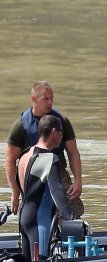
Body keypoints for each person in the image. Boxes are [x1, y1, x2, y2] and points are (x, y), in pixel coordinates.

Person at [5, 81, 83, 217]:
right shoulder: (21, 125)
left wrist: (78, 181)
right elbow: (10, 160)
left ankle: (68, 233)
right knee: (35, 214)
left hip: (58, 174)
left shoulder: (61, 121)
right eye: (45, 99)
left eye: (52, 98)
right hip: (32, 178)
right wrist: (15, 191)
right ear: (33, 99)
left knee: (72, 213)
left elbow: (73, 153)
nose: (50, 102)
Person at [17, 115, 73, 261]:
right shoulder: (50, 158)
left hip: (24, 218)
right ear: (54, 131)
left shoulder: (25, 156)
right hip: (40, 220)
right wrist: (70, 217)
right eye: (61, 131)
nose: (62, 135)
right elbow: (57, 190)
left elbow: (23, 188)